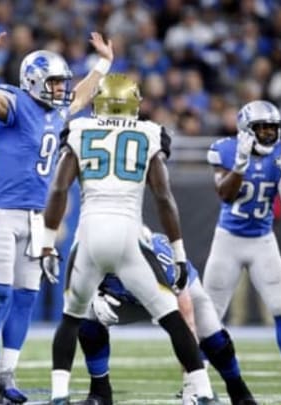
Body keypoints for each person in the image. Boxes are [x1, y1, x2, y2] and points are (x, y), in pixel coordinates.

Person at [41, 73, 217, 404]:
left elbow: (59, 188)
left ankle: (59, 395)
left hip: (90, 234)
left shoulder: (79, 132)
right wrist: (178, 252)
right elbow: (164, 197)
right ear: (134, 104)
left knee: (71, 317)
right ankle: (203, 390)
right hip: (128, 235)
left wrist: (47, 243)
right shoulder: (149, 133)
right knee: (170, 316)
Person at [0, 12, 113, 401]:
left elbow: (84, 93)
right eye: (53, 81)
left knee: (26, 297)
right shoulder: (16, 103)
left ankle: (7, 375)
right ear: (33, 80)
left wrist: (104, 63)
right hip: (4, 211)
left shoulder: (56, 111)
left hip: (38, 218)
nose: (60, 89)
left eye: (61, 82)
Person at [80, 227, 257, 405]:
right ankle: (100, 393)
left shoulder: (162, 259)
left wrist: (192, 385)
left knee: (214, 338)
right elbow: (77, 286)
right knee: (87, 316)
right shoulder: (97, 254)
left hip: (166, 294)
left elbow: (186, 323)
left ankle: (238, 391)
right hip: (126, 302)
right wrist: (93, 295)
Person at [203, 100, 281, 399]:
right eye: (260, 128)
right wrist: (240, 165)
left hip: (263, 241)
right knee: (210, 314)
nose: (267, 134)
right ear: (245, 130)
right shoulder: (224, 149)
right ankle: (196, 382)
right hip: (228, 241)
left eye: (271, 128)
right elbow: (225, 194)